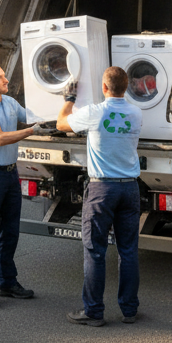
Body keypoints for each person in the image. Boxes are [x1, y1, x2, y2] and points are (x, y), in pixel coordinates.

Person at [57, 66, 143, 326]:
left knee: (96, 251)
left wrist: (69, 99)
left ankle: (94, 312)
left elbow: (62, 124)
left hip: (102, 189)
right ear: (126, 87)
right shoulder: (136, 112)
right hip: (130, 188)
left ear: (104, 88)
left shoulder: (95, 112)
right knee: (128, 250)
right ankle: (129, 310)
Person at [0, 61, 46, 308]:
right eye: (0, 77)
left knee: (10, 232)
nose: (6, 80)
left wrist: (60, 114)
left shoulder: (11, 103)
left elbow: (34, 118)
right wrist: (31, 131)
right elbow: (0, 138)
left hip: (11, 175)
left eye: (4, 76)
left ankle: (7, 283)